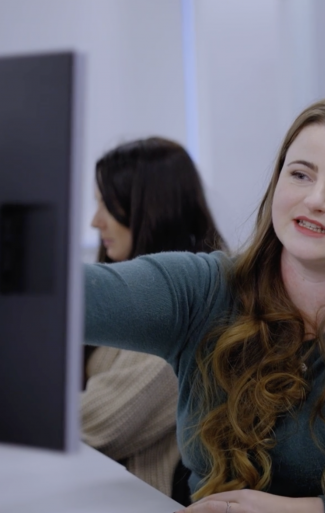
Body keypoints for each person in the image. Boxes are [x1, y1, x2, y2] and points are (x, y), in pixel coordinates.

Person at [83, 96, 325, 513]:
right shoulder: (203, 291)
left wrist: (299, 511)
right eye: (300, 175)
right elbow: (71, 297)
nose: (314, 199)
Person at [83, 137, 226, 500]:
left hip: (140, 498)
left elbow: (101, 423)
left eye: (107, 204)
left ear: (150, 207)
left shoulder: (190, 307)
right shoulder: (129, 296)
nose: (94, 220)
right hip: (101, 487)